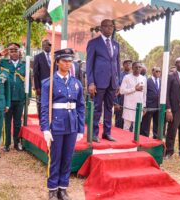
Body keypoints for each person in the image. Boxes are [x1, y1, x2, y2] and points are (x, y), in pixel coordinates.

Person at [40, 48, 85, 200]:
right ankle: (52, 189)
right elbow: (45, 107)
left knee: (67, 158)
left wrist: (80, 128)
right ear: (57, 62)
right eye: (64, 61)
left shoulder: (76, 83)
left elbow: (80, 107)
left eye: (69, 61)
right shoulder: (49, 83)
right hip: (57, 125)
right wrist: (45, 128)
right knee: (56, 158)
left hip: (72, 125)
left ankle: (62, 189)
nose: (67, 64)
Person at [86, 19, 120, 143]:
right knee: (97, 108)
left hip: (112, 83)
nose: (110, 28)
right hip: (98, 82)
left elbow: (117, 63)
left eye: (112, 26)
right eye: (107, 26)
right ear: (101, 28)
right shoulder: (93, 43)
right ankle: (94, 133)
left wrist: (117, 82)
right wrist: (90, 82)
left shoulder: (116, 44)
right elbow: (89, 64)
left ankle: (107, 133)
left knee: (109, 108)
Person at [1, 43, 28, 152]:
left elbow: (28, 81)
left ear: (19, 52)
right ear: (9, 53)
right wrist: (2, 54)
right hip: (8, 98)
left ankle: (16, 143)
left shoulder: (24, 65)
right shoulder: (4, 63)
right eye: (11, 51)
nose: (14, 53)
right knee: (7, 122)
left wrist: (28, 97)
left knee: (17, 122)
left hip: (20, 97)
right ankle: (7, 144)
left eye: (15, 51)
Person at [120, 61, 147, 131]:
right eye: (136, 67)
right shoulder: (127, 77)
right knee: (126, 128)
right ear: (132, 68)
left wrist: (144, 106)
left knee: (136, 129)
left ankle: (135, 142)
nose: (138, 69)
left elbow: (144, 94)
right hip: (129, 107)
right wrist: (134, 89)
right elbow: (121, 91)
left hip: (139, 107)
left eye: (139, 67)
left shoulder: (144, 78)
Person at [33, 39, 55, 118]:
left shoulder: (54, 57)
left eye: (49, 45)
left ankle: (51, 118)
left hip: (53, 85)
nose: (47, 46)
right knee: (42, 103)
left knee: (52, 103)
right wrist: (37, 87)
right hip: (42, 86)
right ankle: (41, 119)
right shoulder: (38, 57)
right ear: (42, 46)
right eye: (45, 45)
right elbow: (35, 73)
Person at [141, 67, 161, 138]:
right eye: (156, 71)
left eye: (159, 71)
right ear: (152, 71)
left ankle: (155, 139)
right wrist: (144, 106)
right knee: (145, 125)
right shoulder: (147, 81)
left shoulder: (161, 81)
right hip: (149, 106)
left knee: (156, 125)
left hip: (158, 107)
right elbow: (144, 93)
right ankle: (144, 139)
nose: (158, 73)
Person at [114, 59, 132, 129]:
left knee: (128, 125)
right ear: (123, 65)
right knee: (119, 123)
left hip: (130, 103)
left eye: (130, 63)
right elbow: (115, 89)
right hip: (120, 101)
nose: (128, 65)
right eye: (126, 63)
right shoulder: (119, 75)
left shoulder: (133, 76)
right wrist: (115, 103)